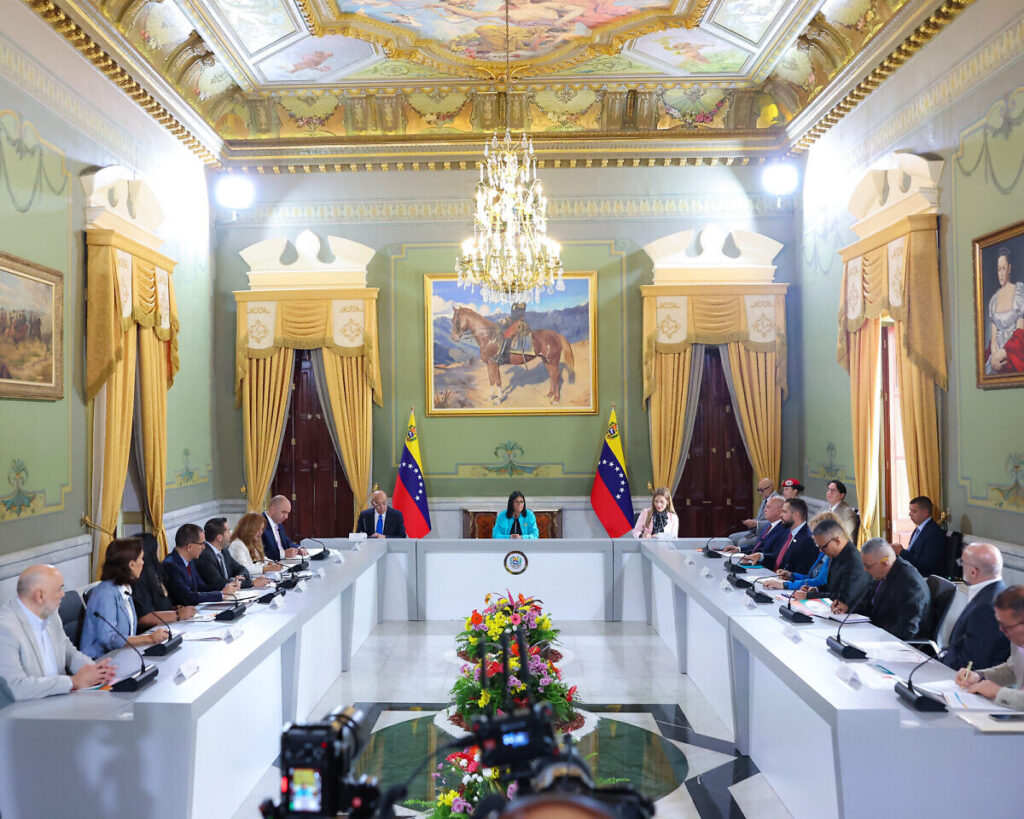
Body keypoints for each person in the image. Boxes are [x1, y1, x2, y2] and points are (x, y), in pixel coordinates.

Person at [0, 565, 115, 700]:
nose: (63, 594)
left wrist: (92, 670)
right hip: (26, 712)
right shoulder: (5, 628)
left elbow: (67, 650)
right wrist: (73, 682)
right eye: (59, 589)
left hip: (60, 699)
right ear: (40, 596)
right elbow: (15, 688)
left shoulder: (51, 612)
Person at [79, 538, 170, 658]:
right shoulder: (105, 594)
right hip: (101, 662)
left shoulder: (124, 588)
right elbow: (108, 638)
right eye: (141, 559)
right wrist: (148, 639)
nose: (143, 563)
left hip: (122, 655)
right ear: (131, 564)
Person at [941, 543, 1009, 670]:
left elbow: (974, 661)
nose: (960, 566)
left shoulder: (987, 608)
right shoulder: (995, 592)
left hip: (963, 681)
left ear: (973, 571)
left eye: (962, 562)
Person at [956, 585, 1024, 710]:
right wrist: (980, 676)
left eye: (1006, 626)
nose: (1001, 630)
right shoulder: (1017, 636)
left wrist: (997, 692)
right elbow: (1013, 669)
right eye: (1000, 623)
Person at [854, 537, 930, 641]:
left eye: (868, 566)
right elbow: (869, 605)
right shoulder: (882, 574)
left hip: (897, 646)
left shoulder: (910, 584)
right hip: (876, 633)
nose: (865, 569)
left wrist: (874, 637)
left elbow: (907, 630)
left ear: (884, 563)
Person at [796, 518, 871, 614]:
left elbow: (843, 599)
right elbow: (833, 586)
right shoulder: (837, 554)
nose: (821, 551)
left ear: (837, 541)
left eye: (823, 547)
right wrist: (816, 589)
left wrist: (809, 596)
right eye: (818, 547)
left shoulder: (854, 561)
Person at [162, 524, 240, 606]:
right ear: (189, 546)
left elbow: (202, 587)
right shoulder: (170, 565)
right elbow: (187, 597)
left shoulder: (190, 561)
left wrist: (227, 585)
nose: (204, 547)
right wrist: (221, 594)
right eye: (201, 543)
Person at [131, 532, 196, 629]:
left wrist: (172, 609)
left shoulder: (156, 572)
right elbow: (144, 618)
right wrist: (177, 615)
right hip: (150, 633)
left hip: (166, 627)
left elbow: (158, 605)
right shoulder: (139, 579)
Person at [742, 497, 817, 575]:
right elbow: (778, 558)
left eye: (784, 512)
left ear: (796, 515)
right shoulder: (788, 532)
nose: (780, 515)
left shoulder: (808, 539)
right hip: (773, 577)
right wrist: (760, 556)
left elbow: (803, 573)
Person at [197, 517, 270, 591]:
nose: (231, 534)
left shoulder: (224, 551)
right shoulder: (205, 556)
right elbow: (219, 583)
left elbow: (241, 568)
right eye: (228, 531)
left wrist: (241, 577)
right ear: (219, 537)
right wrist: (251, 583)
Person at [985, 246, 1024, 374]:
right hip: (996, 356)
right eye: (998, 269)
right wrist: (995, 358)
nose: (1000, 274)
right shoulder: (994, 300)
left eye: (1003, 268)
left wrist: (1003, 354)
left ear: (1009, 269)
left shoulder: (1019, 292)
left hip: (1013, 353)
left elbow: (1020, 333)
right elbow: (994, 337)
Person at [894, 495, 945, 578]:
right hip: (912, 573)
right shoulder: (918, 530)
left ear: (925, 512)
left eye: (913, 511)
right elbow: (912, 555)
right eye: (910, 511)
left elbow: (926, 564)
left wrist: (902, 552)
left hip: (924, 578)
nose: (910, 514)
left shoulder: (933, 532)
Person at [229, 512, 285, 578]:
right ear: (249, 529)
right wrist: (266, 568)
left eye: (262, 529)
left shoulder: (252, 542)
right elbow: (244, 569)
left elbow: (263, 559)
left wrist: (271, 564)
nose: (261, 532)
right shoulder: (237, 545)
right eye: (258, 529)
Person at [729, 478, 780, 548]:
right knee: (732, 537)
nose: (760, 493)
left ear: (770, 488)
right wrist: (752, 522)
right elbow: (761, 518)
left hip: (767, 533)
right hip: (757, 531)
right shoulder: (765, 499)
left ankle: (743, 557)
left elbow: (776, 521)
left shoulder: (777, 500)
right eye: (758, 490)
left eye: (762, 490)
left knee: (741, 542)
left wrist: (757, 523)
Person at [262, 495, 307, 560]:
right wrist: (284, 554)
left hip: (286, 562)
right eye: (284, 512)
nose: (286, 517)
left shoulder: (278, 522)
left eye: (287, 513)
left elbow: (287, 543)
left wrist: (299, 548)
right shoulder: (259, 524)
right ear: (272, 509)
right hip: (271, 566)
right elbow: (261, 554)